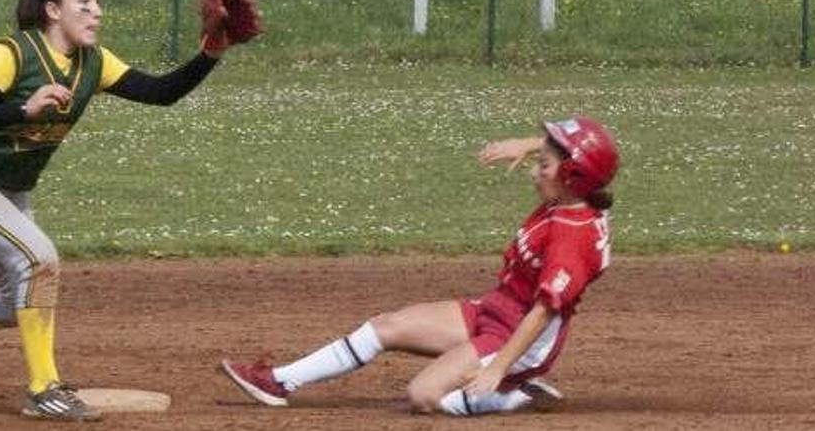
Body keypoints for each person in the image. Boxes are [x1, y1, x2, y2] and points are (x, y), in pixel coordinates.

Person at [0, 0, 258, 421]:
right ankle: (44, 389)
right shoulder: (10, 52)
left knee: (21, 293)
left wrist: (211, 50)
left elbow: (159, 93)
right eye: (84, 3)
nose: (96, 11)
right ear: (52, 11)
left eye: (97, 2)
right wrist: (23, 106)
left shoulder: (92, 62)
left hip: (7, 190)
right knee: (40, 261)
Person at [219, 117, 619, 416]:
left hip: (518, 339)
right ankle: (279, 381)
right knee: (386, 326)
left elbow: (544, 310)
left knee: (424, 395)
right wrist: (529, 144)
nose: (535, 171)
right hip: (496, 310)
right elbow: (578, 157)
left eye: (544, 165)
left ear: (573, 178)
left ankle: (514, 396)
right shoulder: (569, 200)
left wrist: (498, 369)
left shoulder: (573, 236)